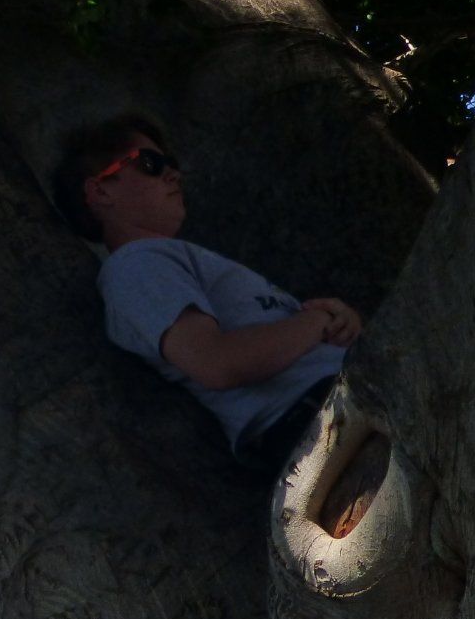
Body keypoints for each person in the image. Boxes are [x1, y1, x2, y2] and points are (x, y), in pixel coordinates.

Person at [51, 114, 361, 468]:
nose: (173, 174)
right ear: (101, 190)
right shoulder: (134, 266)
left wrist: (341, 323)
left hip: (339, 403)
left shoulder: (165, 259)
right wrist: (317, 323)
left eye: (171, 163)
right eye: (150, 164)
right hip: (320, 418)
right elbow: (216, 363)